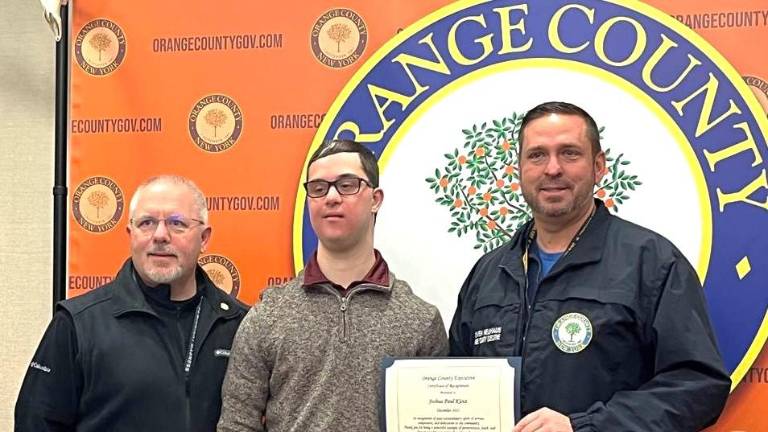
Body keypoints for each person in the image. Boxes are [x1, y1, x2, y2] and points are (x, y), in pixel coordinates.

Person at [449, 102, 731, 431]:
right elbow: (456, 384)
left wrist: (585, 426)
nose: (552, 169)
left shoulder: (651, 262)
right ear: (519, 170)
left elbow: (698, 385)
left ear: (598, 166)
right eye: (537, 155)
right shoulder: (489, 273)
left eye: (569, 153)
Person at [217, 139, 448, 432]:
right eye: (318, 188)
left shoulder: (420, 321)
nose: (331, 197)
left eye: (347, 185)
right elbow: (237, 424)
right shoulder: (268, 316)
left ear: (375, 199)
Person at [16, 175, 248, 432]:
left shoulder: (240, 325)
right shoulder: (78, 324)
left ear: (204, 238)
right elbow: (36, 423)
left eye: (177, 223)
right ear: (130, 235)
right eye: (147, 223)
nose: (160, 235)